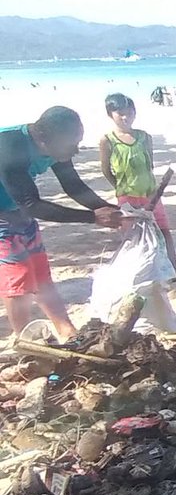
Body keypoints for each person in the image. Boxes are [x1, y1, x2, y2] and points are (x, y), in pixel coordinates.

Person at [0, 107, 124, 340]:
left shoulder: (55, 146)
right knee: (19, 276)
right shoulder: (9, 147)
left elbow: (73, 186)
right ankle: (24, 339)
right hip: (7, 213)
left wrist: (110, 209)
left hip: (17, 210)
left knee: (40, 272)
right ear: (43, 141)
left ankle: (67, 330)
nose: (76, 151)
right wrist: (93, 218)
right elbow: (31, 204)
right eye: (72, 145)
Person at [97, 93, 176, 281]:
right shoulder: (108, 140)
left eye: (129, 113)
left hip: (151, 194)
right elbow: (106, 170)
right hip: (127, 196)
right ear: (110, 114)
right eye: (120, 113)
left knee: (163, 231)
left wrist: (151, 189)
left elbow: (149, 165)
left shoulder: (144, 137)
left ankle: (174, 269)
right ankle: (139, 273)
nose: (125, 117)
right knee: (133, 236)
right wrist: (122, 187)